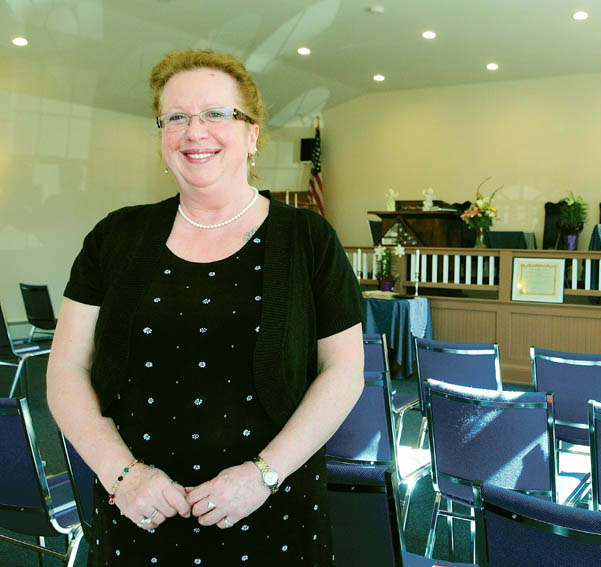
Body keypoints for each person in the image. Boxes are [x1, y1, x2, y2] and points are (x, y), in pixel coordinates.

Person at [46, 49, 364, 565]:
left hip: (273, 516)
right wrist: (121, 475)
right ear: (162, 136)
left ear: (252, 134)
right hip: (137, 515)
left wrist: (264, 474)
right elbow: (65, 369)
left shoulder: (309, 238)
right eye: (176, 117)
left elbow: (345, 372)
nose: (195, 132)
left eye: (216, 114)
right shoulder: (114, 237)